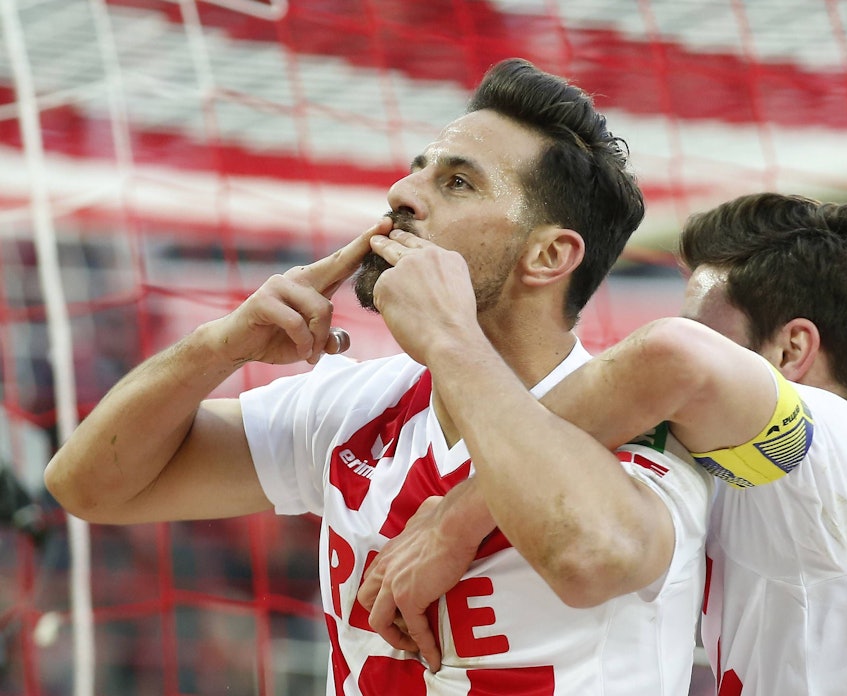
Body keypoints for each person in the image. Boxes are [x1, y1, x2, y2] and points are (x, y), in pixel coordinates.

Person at [44, 58, 715, 695]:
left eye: (457, 182)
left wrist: (453, 340)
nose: (401, 194)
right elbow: (90, 486)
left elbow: (589, 556)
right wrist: (215, 348)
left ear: (547, 255)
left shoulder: (646, 428)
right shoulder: (360, 403)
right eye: (417, 169)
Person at [360, 192, 847, 695]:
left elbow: (675, 357)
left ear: (789, 352)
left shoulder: (827, 449)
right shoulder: (801, 489)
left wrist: (452, 523)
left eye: (710, 329)